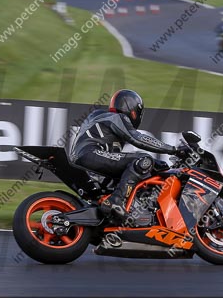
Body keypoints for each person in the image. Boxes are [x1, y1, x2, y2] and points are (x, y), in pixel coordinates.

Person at [69, 90, 189, 219]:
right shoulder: (116, 117)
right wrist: (173, 150)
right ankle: (116, 201)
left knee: (142, 165)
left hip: (86, 156)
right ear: (133, 111)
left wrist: (157, 164)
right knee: (144, 160)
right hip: (90, 154)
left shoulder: (101, 117)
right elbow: (138, 139)